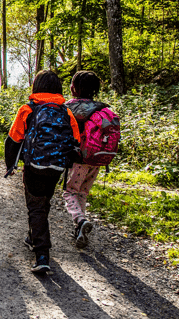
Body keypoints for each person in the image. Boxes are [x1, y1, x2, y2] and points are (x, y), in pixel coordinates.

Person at [4, 70, 80, 273]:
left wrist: (10, 165)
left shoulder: (28, 109)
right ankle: (33, 236)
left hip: (34, 167)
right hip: (57, 167)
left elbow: (13, 140)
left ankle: (42, 254)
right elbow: (76, 141)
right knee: (43, 202)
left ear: (36, 86)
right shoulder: (66, 112)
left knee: (35, 207)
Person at [64, 70, 108, 248]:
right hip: (96, 159)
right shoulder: (102, 109)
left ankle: (80, 220)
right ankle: (79, 229)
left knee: (69, 191)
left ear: (74, 88)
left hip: (78, 159)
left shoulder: (70, 107)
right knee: (82, 192)